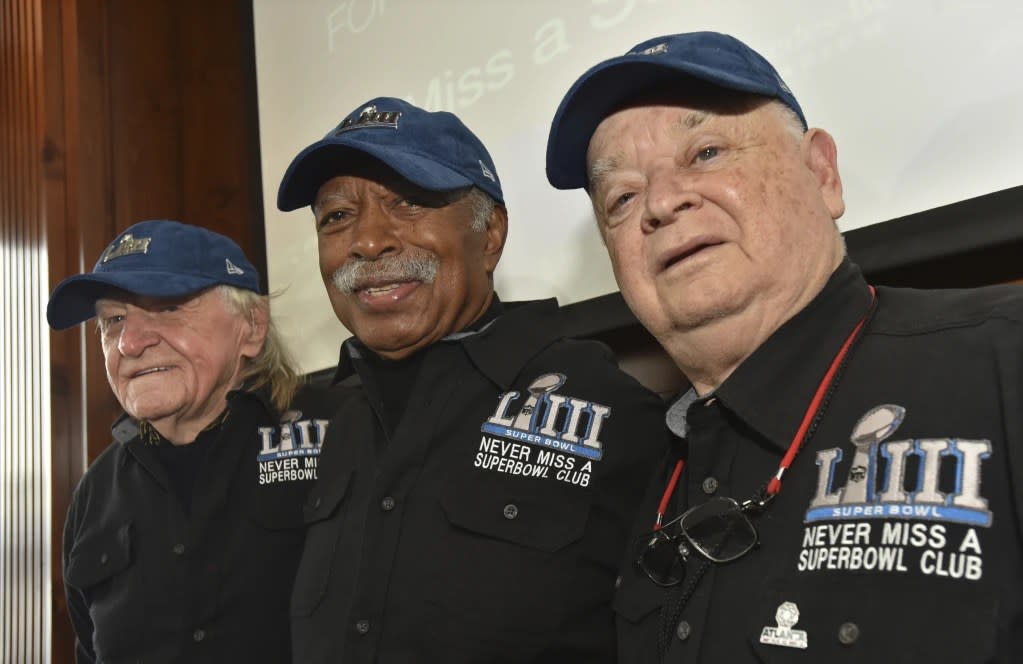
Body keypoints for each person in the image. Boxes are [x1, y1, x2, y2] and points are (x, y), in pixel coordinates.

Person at [546, 31, 1023, 663]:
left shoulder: (1003, 359)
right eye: (622, 197)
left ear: (821, 173)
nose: (660, 203)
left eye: (707, 151)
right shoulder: (643, 479)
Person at [275, 96, 670, 662]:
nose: (368, 241)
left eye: (409, 202)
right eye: (337, 217)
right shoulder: (328, 426)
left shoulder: (608, 408)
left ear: (490, 236)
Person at [49, 220, 336, 663]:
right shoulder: (94, 496)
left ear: (252, 326)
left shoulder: (342, 434)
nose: (129, 342)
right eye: (114, 320)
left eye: (167, 308)